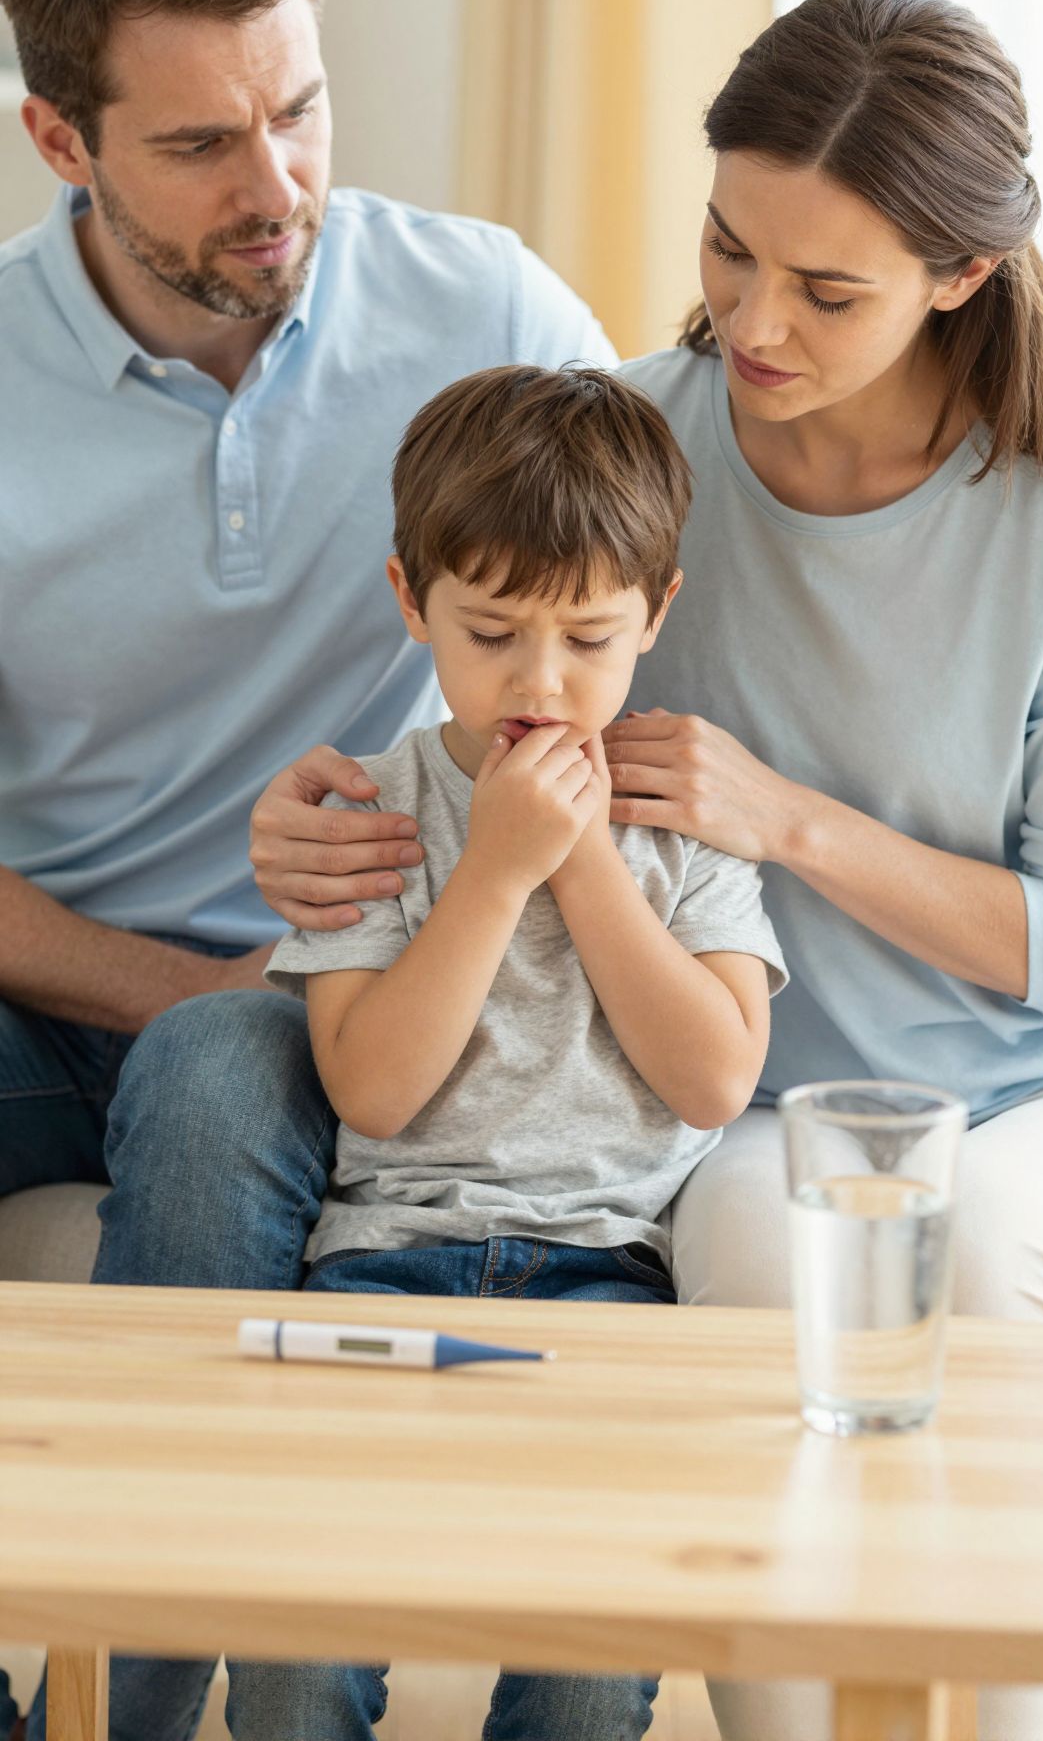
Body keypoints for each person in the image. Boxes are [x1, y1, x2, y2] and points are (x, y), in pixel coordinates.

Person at [224, 0, 1043, 1741]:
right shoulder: (643, 438)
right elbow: (465, 685)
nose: (751, 320)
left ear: (961, 275)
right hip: (754, 1098)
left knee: (980, 1245)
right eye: (728, 251)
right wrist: (302, 822)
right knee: (741, 1257)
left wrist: (782, 815)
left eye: (826, 290)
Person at [0, 0, 610, 1210]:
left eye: (299, 112)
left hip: (335, 977)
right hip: (46, 988)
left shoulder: (486, 313)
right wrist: (183, 985)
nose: (274, 188)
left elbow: (663, 562)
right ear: (61, 140)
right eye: (200, 144)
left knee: (217, 1083)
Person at [191, 363, 785, 1740]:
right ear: (413, 605)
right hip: (380, 1266)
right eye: (492, 632)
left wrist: (582, 866)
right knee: (290, 1630)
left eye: (587, 637)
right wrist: (493, 876)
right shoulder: (376, 812)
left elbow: (711, 1079)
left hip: (606, 1285)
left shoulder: (680, 817)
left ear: (657, 615)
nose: (538, 683)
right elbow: (377, 1092)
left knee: (591, 1642)